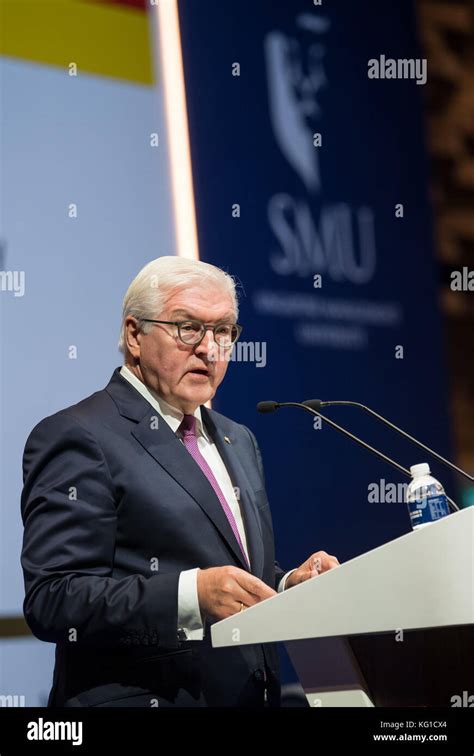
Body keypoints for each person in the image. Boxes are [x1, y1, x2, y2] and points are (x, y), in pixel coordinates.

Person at [20, 256, 339, 708]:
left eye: (224, 331)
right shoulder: (80, 435)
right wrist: (191, 595)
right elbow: (54, 599)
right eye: (188, 327)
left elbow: (221, 567)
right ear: (135, 335)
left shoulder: (236, 437)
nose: (210, 349)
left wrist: (286, 584)